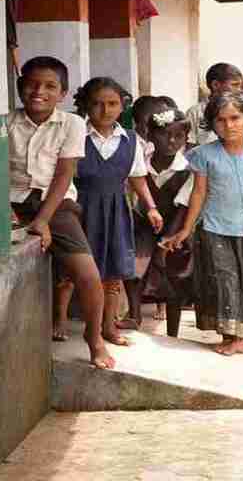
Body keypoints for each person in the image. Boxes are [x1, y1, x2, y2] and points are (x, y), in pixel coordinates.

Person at [160, 92, 243, 355]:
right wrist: (187, 228)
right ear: (212, 123)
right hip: (215, 226)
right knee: (224, 280)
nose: (229, 125)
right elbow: (199, 192)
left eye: (235, 118)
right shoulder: (204, 154)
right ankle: (232, 337)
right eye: (221, 120)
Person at [8, 57, 114, 368]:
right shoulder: (4, 122)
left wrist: (42, 220)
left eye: (50, 86)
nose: (39, 91)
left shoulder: (72, 124)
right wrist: (8, 211)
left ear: (63, 94)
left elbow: (64, 174)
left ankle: (94, 339)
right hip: (12, 202)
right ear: (19, 87)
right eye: (32, 84)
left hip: (56, 204)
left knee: (89, 276)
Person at [75, 77, 164, 347]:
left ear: (122, 106)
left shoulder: (131, 140)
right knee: (77, 273)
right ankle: (61, 323)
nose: (105, 110)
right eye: (97, 104)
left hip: (115, 210)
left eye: (112, 104)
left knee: (112, 276)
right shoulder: (75, 135)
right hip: (81, 209)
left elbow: (137, 177)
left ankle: (109, 327)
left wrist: (151, 207)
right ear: (86, 106)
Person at [120, 106, 195, 336]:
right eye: (164, 134)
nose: (171, 141)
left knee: (173, 278)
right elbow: (131, 195)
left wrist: (170, 239)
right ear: (151, 135)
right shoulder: (140, 163)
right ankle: (134, 315)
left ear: (186, 139)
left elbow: (184, 205)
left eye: (178, 136)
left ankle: (173, 331)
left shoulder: (189, 168)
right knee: (133, 268)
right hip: (143, 224)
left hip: (176, 228)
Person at [186, 63, 243, 147]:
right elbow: (189, 146)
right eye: (235, 85)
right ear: (215, 85)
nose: (239, 90)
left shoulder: (241, 109)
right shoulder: (195, 112)